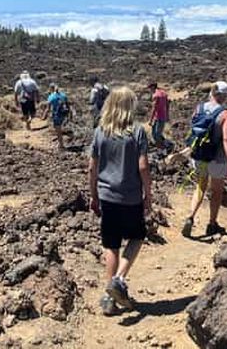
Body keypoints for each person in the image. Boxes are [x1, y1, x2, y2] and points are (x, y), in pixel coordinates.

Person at [88, 87, 152, 316]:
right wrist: (148, 195)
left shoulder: (100, 131)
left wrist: (93, 195)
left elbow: (92, 168)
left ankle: (109, 299)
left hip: (107, 196)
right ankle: (118, 279)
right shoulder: (137, 131)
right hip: (131, 196)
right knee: (137, 236)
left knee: (111, 244)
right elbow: (143, 166)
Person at [181, 81, 227, 238]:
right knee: (217, 191)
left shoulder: (199, 108)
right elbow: (226, 139)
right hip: (217, 158)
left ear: (212, 92)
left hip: (199, 155)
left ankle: (190, 216)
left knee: (200, 186)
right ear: (224, 95)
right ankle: (212, 224)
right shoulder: (226, 114)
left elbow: (193, 129)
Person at [43, 83, 72, 149]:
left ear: (51, 89)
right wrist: (70, 114)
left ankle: (61, 144)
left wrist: (44, 116)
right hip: (64, 114)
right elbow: (68, 105)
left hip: (57, 115)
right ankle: (63, 141)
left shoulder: (51, 96)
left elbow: (48, 108)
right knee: (61, 127)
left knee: (58, 130)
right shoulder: (63, 95)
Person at [147, 82, 170, 148]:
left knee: (156, 134)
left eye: (150, 88)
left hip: (158, 117)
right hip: (163, 116)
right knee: (157, 133)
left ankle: (163, 147)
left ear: (153, 87)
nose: (150, 90)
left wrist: (150, 120)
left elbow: (154, 108)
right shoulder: (164, 93)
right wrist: (167, 115)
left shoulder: (155, 95)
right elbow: (167, 105)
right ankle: (163, 144)